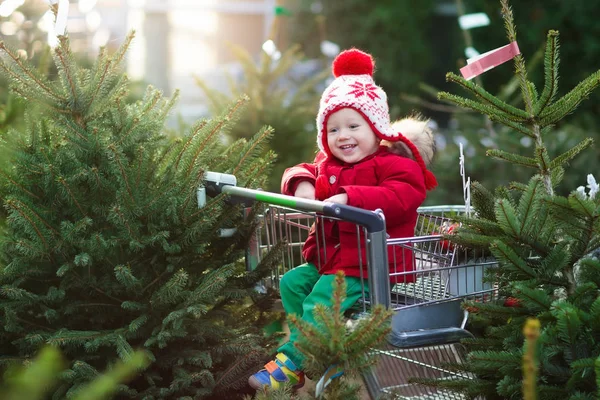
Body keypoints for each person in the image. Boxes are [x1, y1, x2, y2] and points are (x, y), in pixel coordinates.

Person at [248, 48, 437, 391]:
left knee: (321, 299)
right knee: (293, 283)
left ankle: (291, 362)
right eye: (333, 129)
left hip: (368, 265)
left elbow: (402, 195)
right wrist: (302, 183)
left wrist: (352, 198)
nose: (343, 136)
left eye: (353, 126)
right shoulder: (329, 164)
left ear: (376, 128)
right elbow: (304, 168)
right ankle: (327, 354)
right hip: (331, 260)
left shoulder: (393, 165)